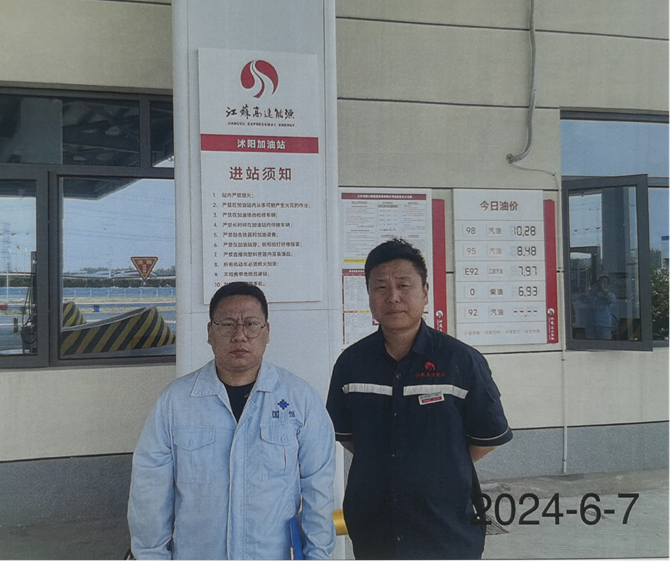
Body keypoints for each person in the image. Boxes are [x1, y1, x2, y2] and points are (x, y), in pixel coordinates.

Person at [326, 238, 513, 560]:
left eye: (404, 285)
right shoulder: (351, 364)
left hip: (446, 527)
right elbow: (347, 436)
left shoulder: (461, 361)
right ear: (368, 294)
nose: (393, 297)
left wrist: (437, 466)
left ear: (425, 292)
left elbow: (486, 439)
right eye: (380, 287)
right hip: (374, 526)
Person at [128, 282, 336, 560]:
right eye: (227, 324)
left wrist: (318, 555)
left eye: (251, 324)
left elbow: (318, 491)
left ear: (267, 332)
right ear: (209, 333)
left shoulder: (301, 400)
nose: (240, 335)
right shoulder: (175, 402)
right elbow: (149, 494)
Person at [586, 275, 616, 340]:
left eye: (604, 282)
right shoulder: (593, 294)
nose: (602, 284)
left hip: (604, 324)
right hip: (592, 324)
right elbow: (585, 300)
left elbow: (611, 300)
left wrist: (603, 289)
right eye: (600, 282)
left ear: (608, 284)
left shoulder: (610, 294)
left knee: (604, 343)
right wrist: (593, 289)